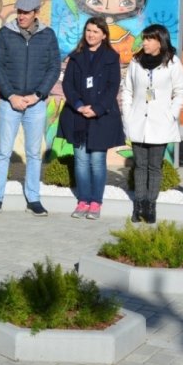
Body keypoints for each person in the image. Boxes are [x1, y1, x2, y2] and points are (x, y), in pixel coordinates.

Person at [0, 0, 60, 217]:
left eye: (26, 13)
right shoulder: (5, 34)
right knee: (3, 152)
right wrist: (11, 95)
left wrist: (38, 95)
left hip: (35, 104)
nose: (21, 16)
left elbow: (54, 68)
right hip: (10, 103)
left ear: (36, 13)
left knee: (34, 153)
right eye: (19, 12)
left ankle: (34, 198)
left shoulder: (48, 35)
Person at [58, 17, 124, 220]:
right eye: (88, 30)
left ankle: (96, 202)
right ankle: (83, 200)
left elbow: (113, 86)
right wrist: (78, 105)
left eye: (95, 31)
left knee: (97, 160)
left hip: (101, 116)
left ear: (104, 34)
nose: (91, 34)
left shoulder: (112, 57)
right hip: (78, 116)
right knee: (80, 160)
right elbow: (67, 84)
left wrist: (96, 108)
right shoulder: (76, 56)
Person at [122, 24, 183, 224]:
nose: (145, 42)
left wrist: (171, 115)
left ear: (160, 41)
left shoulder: (173, 62)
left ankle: (151, 205)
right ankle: (138, 205)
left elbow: (180, 92)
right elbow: (127, 90)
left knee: (154, 166)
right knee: (140, 166)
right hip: (138, 121)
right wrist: (127, 114)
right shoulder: (136, 61)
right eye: (144, 38)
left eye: (150, 39)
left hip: (161, 122)